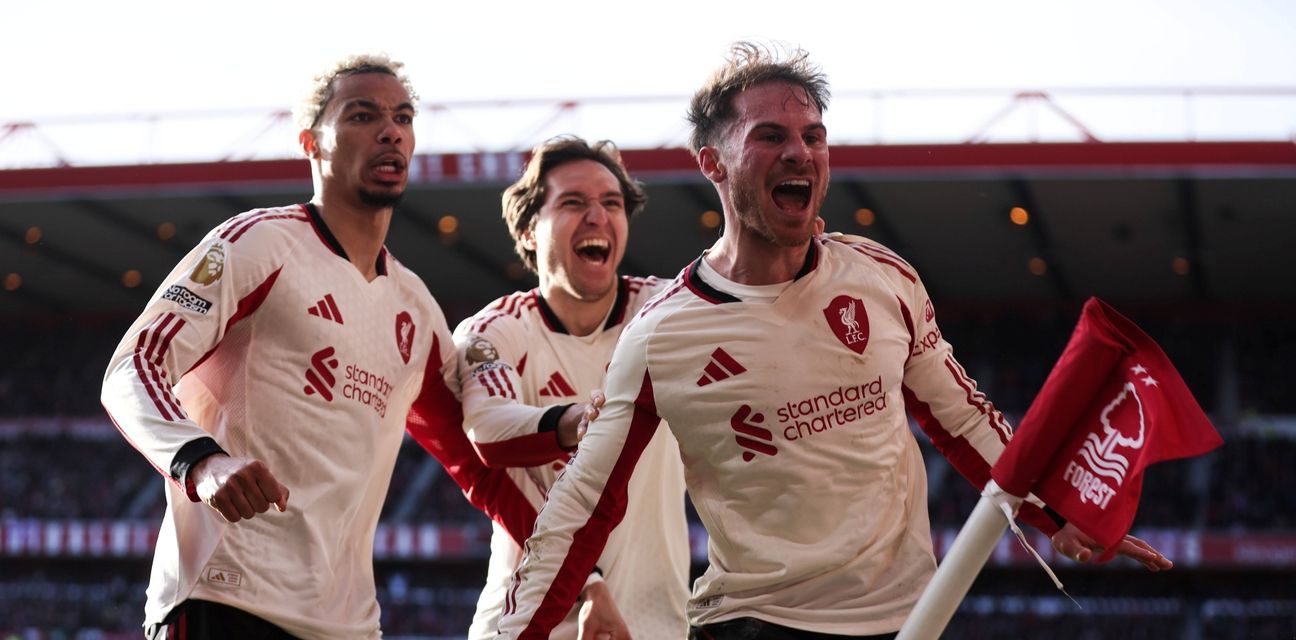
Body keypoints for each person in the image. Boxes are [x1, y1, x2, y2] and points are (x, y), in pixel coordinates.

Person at [495, 43, 1173, 640]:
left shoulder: (882, 278)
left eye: (814, 135)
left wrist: (1060, 511)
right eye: (770, 135)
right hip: (754, 623)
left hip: (908, 615)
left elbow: (963, 419)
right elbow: (580, 511)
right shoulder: (663, 334)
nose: (800, 152)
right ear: (713, 163)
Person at [100, 53, 466, 639]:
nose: (389, 130)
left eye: (402, 117)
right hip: (227, 601)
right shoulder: (258, 244)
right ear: (311, 142)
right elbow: (132, 367)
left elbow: (480, 444)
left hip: (348, 626)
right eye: (361, 115)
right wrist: (202, 461)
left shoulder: (418, 309)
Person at [450, 135, 691, 638]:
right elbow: (490, 430)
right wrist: (576, 421)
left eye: (612, 203)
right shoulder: (495, 330)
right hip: (524, 622)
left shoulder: (666, 313)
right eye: (573, 203)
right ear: (529, 230)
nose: (598, 216)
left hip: (653, 622)